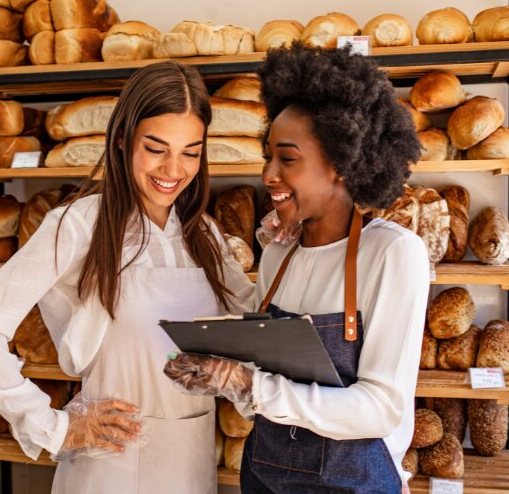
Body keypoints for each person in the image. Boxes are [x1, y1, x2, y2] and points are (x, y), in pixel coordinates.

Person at [0, 60, 254, 494]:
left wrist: (289, 245)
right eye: (156, 148)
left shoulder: (202, 232)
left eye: (191, 151)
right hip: (109, 467)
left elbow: (254, 323)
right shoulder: (76, 225)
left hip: (191, 466)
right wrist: (53, 427)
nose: (174, 170)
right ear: (123, 140)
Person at [164, 43, 429, 493]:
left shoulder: (392, 254)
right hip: (264, 476)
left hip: (354, 482)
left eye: (287, 159)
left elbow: (381, 408)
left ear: (342, 166)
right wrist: (223, 378)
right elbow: (264, 396)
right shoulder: (277, 253)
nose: (268, 173)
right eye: (268, 156)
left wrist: (250, 386)